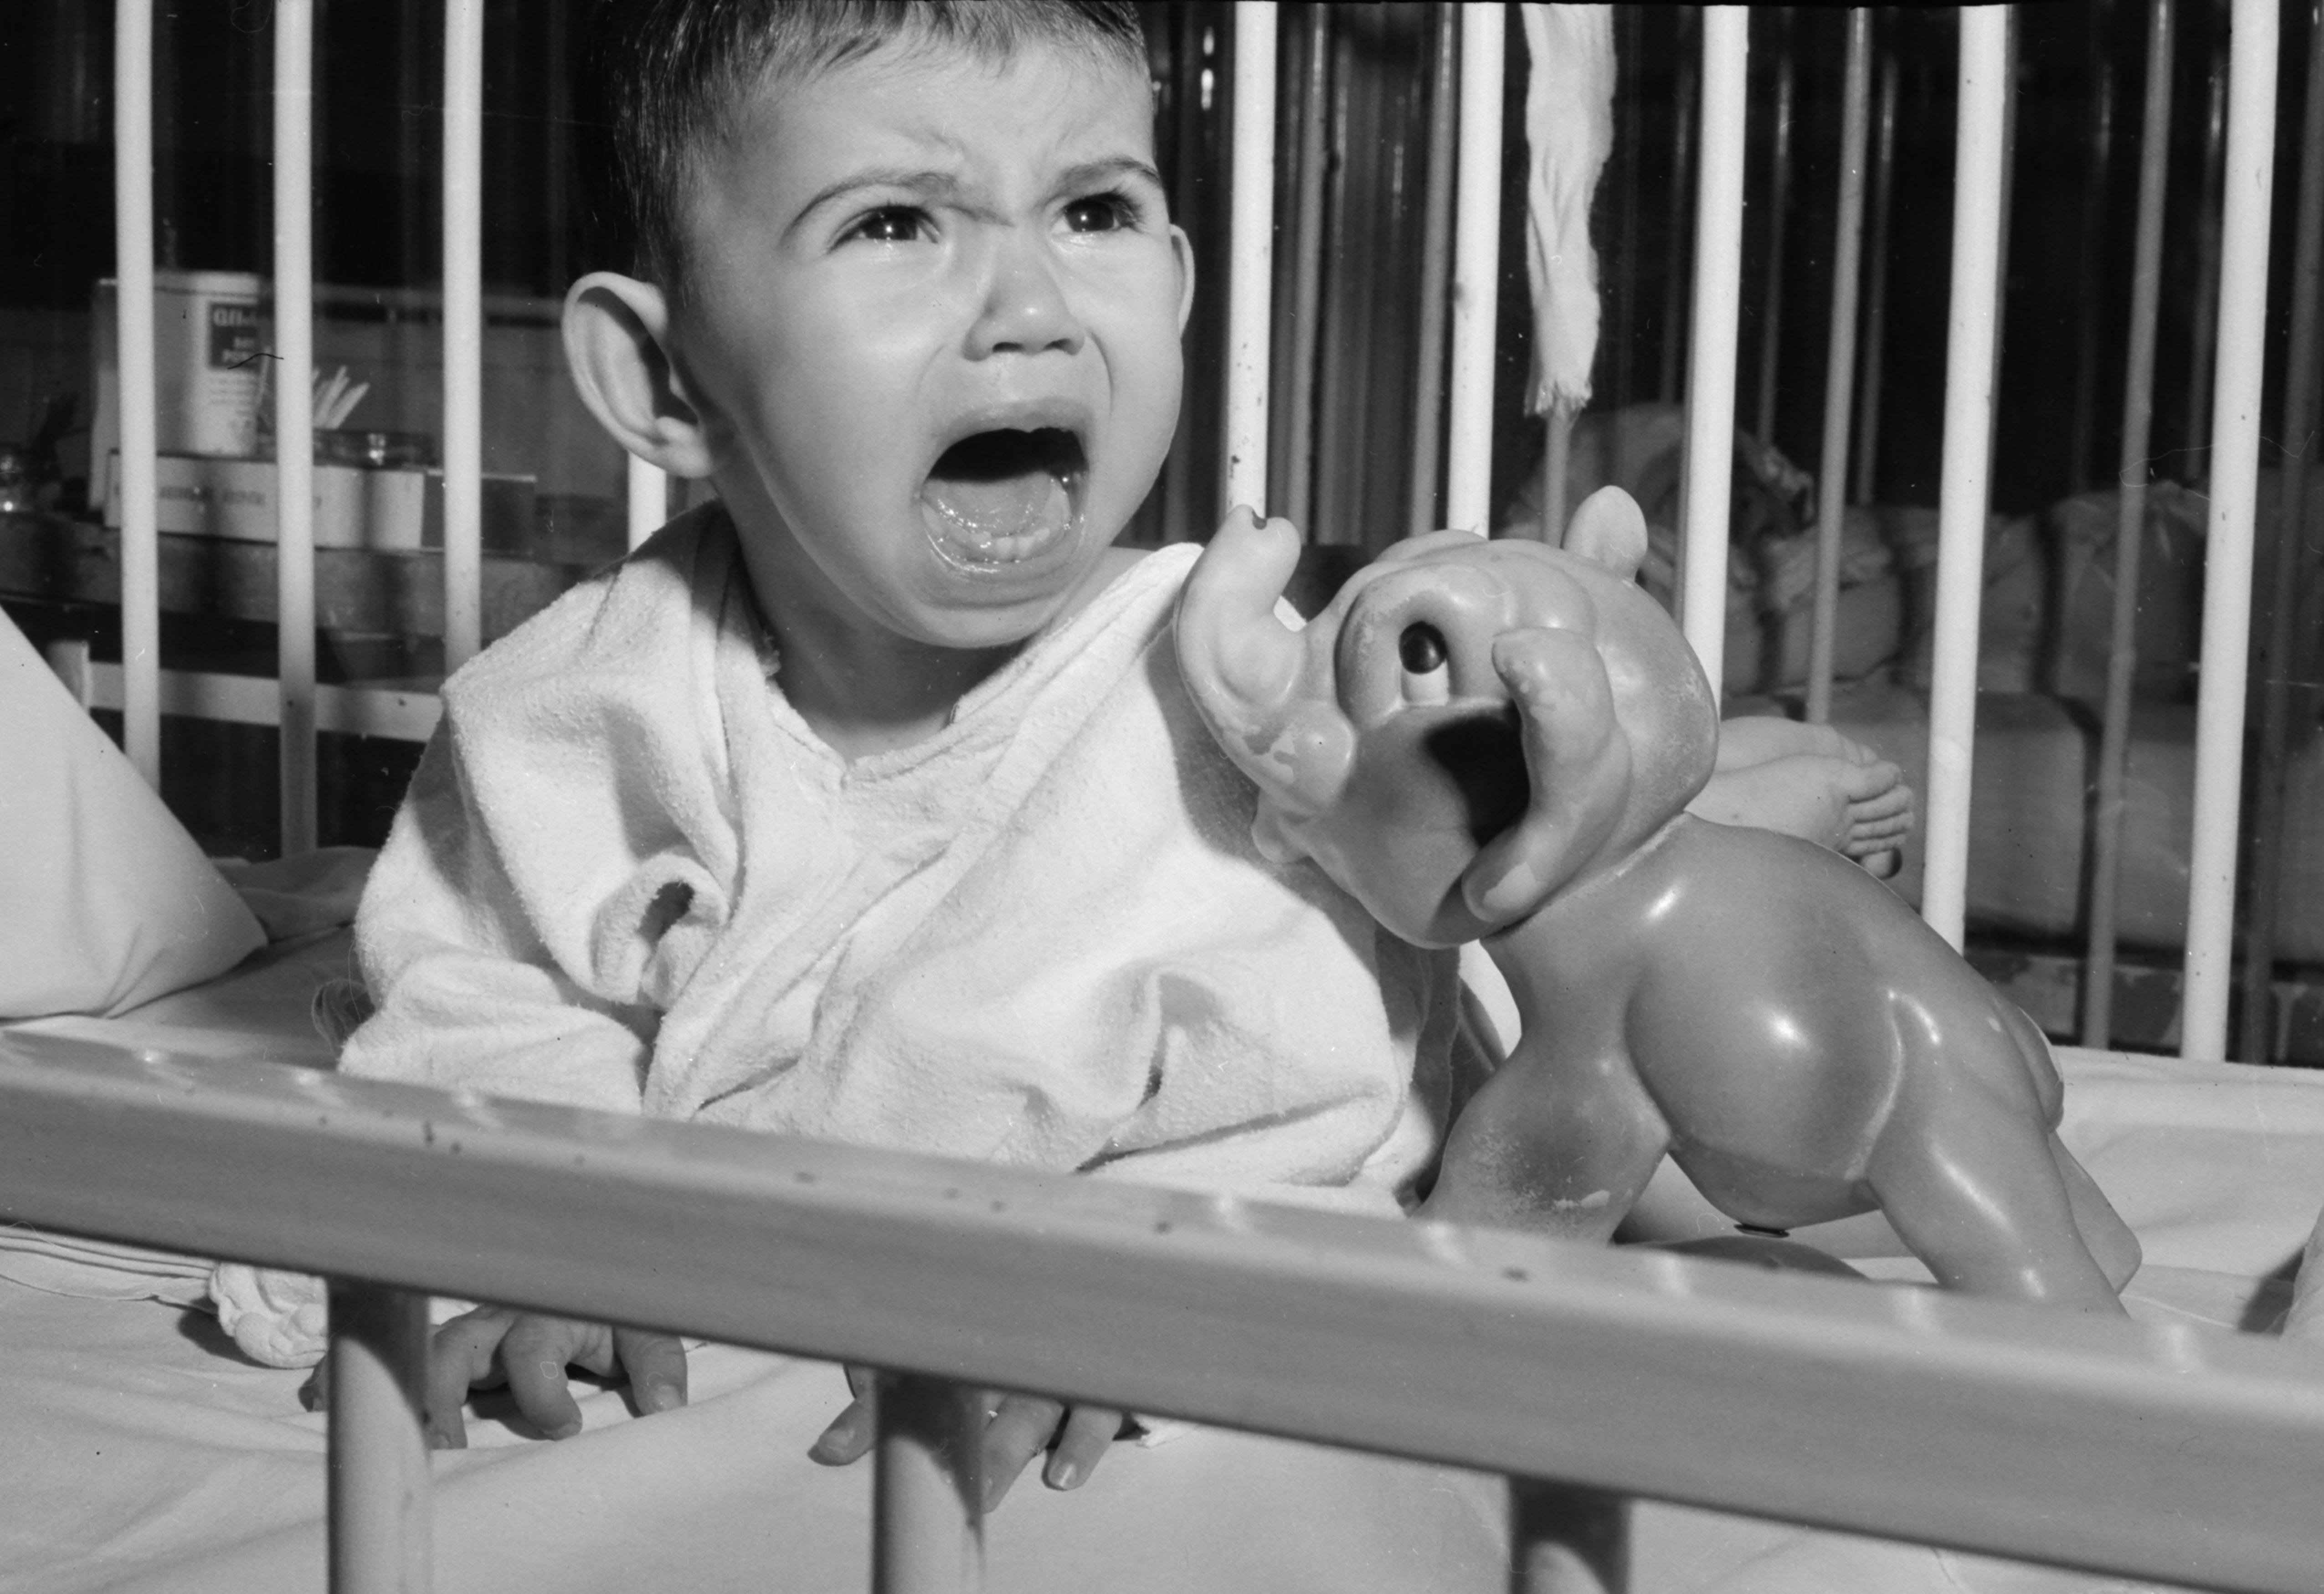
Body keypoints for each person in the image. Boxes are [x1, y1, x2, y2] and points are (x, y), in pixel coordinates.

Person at [292, 0, 1910, 1511]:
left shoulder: (1224, 704)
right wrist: (556, 1235)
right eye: (894, 223)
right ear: (664, 379)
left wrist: (1151, 1289)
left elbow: (1306, 1075)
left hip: (1329, 1094)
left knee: (1642, 1092)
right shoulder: (584, 702)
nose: (1031, 310)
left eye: (1092, 211)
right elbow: (488, 993)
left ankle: (1723, 816)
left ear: (1179, 284)